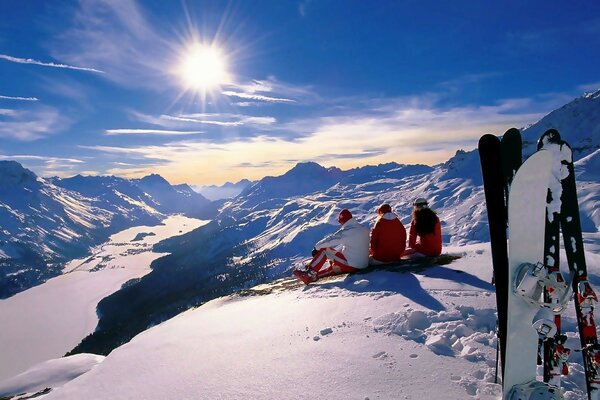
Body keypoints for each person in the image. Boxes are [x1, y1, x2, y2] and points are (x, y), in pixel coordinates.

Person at [293, 208, 369, 284]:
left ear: (342, 220)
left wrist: (316, 248)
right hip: (363, 264)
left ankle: (309, 274)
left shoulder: (346, 232)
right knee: (335, 266)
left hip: (353, 265)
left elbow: (330, 240)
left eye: (339, 221)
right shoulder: (363, 228)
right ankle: (315, 276)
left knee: (325, 250)